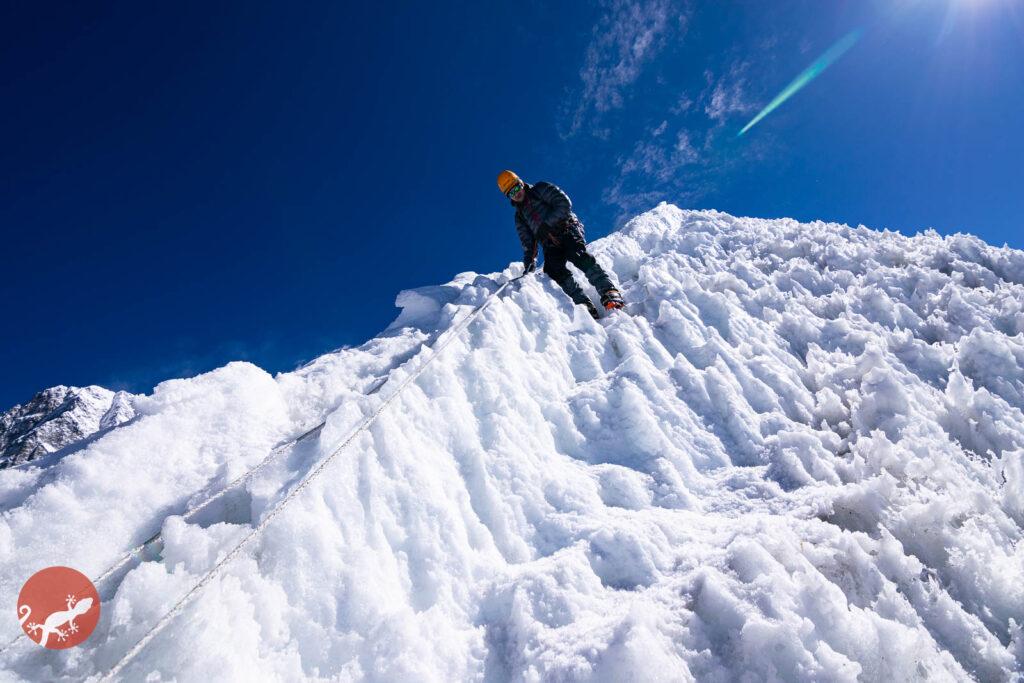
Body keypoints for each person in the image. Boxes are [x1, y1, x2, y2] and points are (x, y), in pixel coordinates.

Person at [497, 170, 624, 319]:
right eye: (512, 193)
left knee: (577, 254)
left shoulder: (540, 189)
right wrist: (529, 262)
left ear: (521, 183)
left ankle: (608, 291)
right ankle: (584, 304)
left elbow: (564, 203)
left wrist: (547, 225)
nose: (517, 194)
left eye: (517, 188)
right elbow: (528, 242)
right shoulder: (520, 216)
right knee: (553, 270)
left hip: (566, 227)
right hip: (549, 242)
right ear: (508, 197)